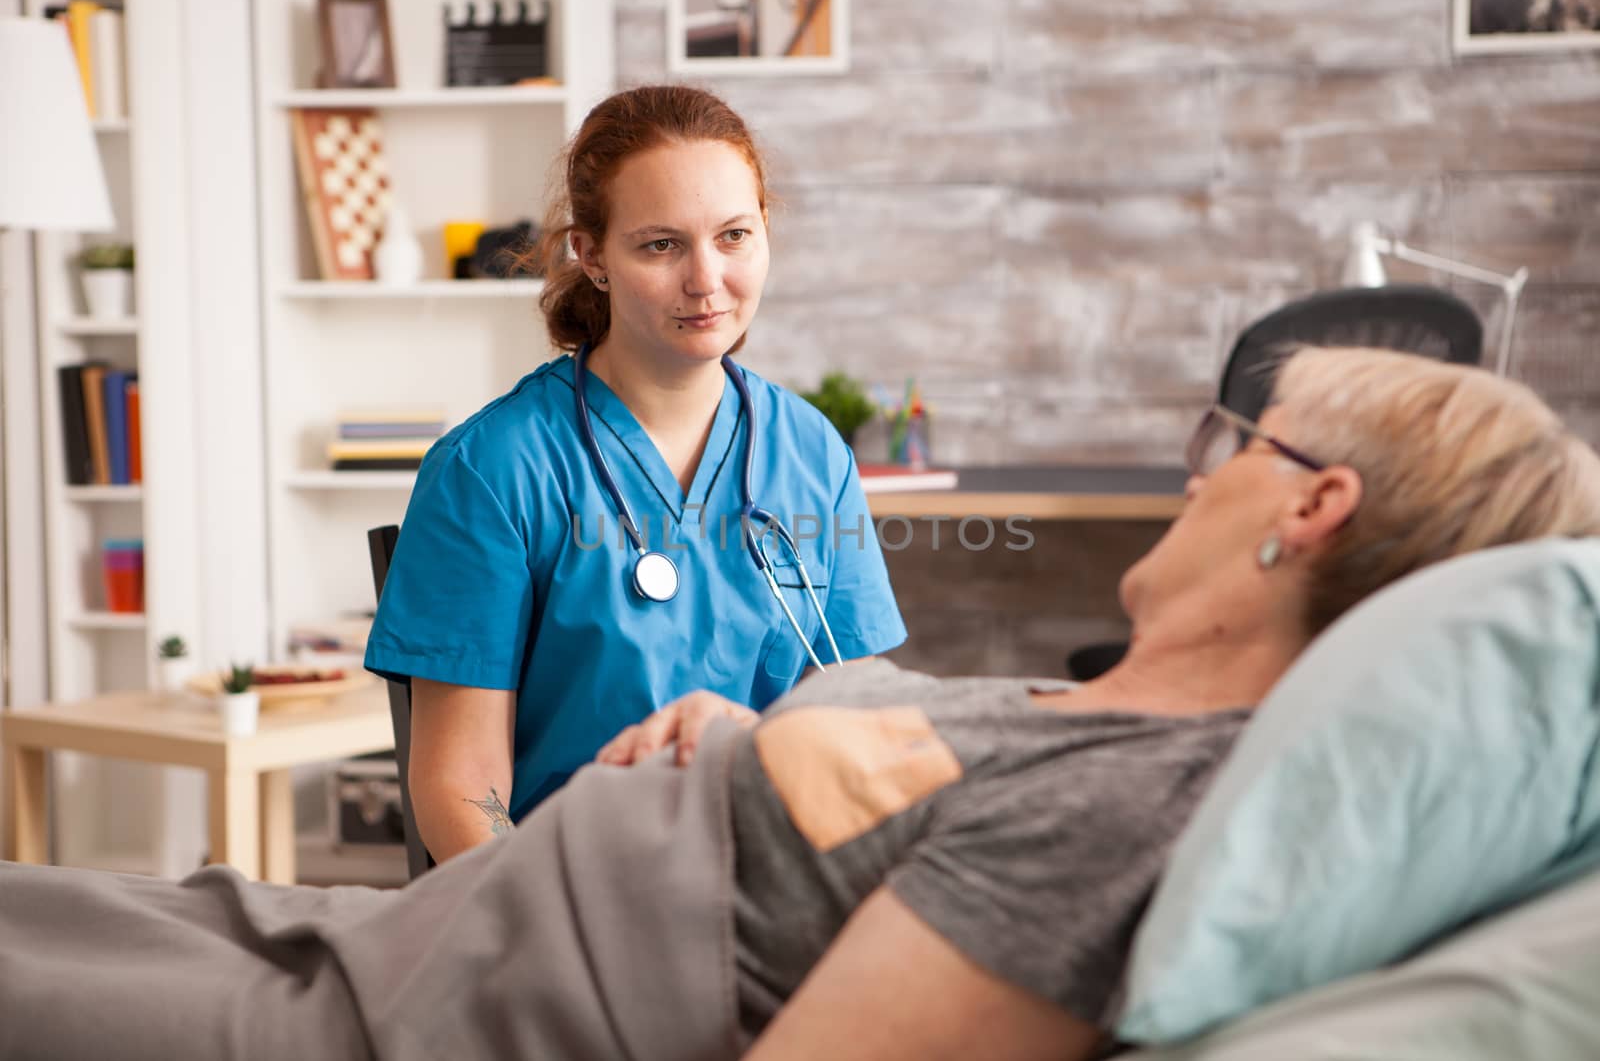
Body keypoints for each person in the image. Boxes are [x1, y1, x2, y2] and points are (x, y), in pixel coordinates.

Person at [6, 349, 1600, 1061]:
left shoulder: (1124, 810)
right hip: (410, 931)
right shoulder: (1092, 716)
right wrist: (752, 738)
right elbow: (894, 753)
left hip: (421, 1014)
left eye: (1229, 435)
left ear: (1308, 510)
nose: (1197, 463)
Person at [362, 85, 906, 861]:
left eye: (733, 235)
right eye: (661, 245)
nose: (706, 279)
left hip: (772, 887)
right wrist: (551, 935)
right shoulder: (492, 470)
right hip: (570, 895)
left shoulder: (812, 453)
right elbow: (459, 784)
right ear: (592, 256)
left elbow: (857, 731)